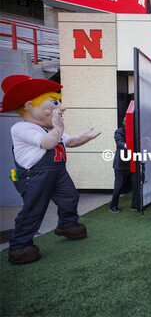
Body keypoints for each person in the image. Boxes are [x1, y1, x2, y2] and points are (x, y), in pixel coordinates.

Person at [1, 75, 101, 265]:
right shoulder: (22, 127)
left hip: (58, 172)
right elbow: (47, 144)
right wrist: (58, 127)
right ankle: (20, 246)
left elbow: (69, 141)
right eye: (54, 102)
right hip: (35, 175)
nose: (61, 108)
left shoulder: (50, 128)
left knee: (70, 197)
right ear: (30, 105)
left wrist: (85, 137)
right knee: (34, 209)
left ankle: (67, 225)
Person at [109, 117, 138, 213]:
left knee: (136, 184)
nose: (127, 123)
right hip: (121, 164)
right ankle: (112, 206)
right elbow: (120, 143)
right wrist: (130, 145)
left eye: (129, 121)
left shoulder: (136, 130)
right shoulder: (119, 132)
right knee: (119, 186)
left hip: (134, 162)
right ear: (123, 123)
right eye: (125, 121)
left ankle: (135, 205)